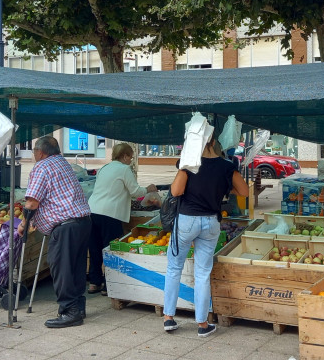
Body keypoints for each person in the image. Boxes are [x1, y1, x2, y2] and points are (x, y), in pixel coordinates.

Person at [163, 133, 249, 337]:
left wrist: (185, 166)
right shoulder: (227, 166)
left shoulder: (189, 163)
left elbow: (175, 191)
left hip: (187, 220)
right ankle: (202, 324)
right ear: (213, 142)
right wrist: (223, 189)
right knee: (202, 273)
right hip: (211, 222)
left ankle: (168, 318)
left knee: (174, 268)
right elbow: (244, 191)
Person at [21, 136, 92, 328]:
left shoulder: (42, 167)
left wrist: (23, 224)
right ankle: (78, 306)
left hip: (65, 226)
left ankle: (69, 311)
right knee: (75, 267)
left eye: (34, 150)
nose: (34, 154)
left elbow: (32, 202)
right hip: (82, 222)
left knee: (61, 269)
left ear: (41, 152)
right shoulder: (62, 163)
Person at [87, 143, 158, 295]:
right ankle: (108, 285)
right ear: (124, 156)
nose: (131, 160)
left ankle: (94, 282)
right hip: (110, 213)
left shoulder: (104, 168)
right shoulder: (124, 169)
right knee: (111, 249)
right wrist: (149, 189)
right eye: (131, 157)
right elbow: (135, 191)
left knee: (94, 248)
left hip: (92, 210)